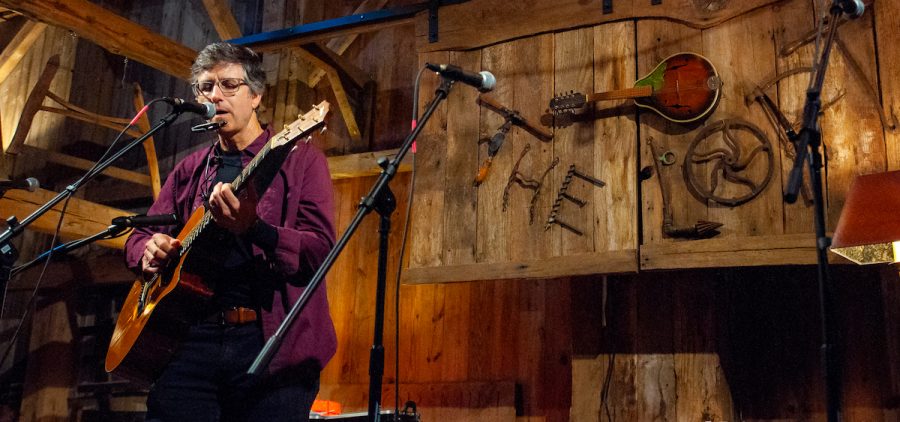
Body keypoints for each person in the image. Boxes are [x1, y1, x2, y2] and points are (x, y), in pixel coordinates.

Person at [123, 42, 337, 421]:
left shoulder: (300, 160)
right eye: (206, 87)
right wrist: (147, 250)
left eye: (229, 85)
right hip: (188, 341)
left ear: (256, 95)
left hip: (268, 347)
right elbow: (140, 235)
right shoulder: (190, 170)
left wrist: (254, 229)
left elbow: (319, 250)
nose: (215, 95)